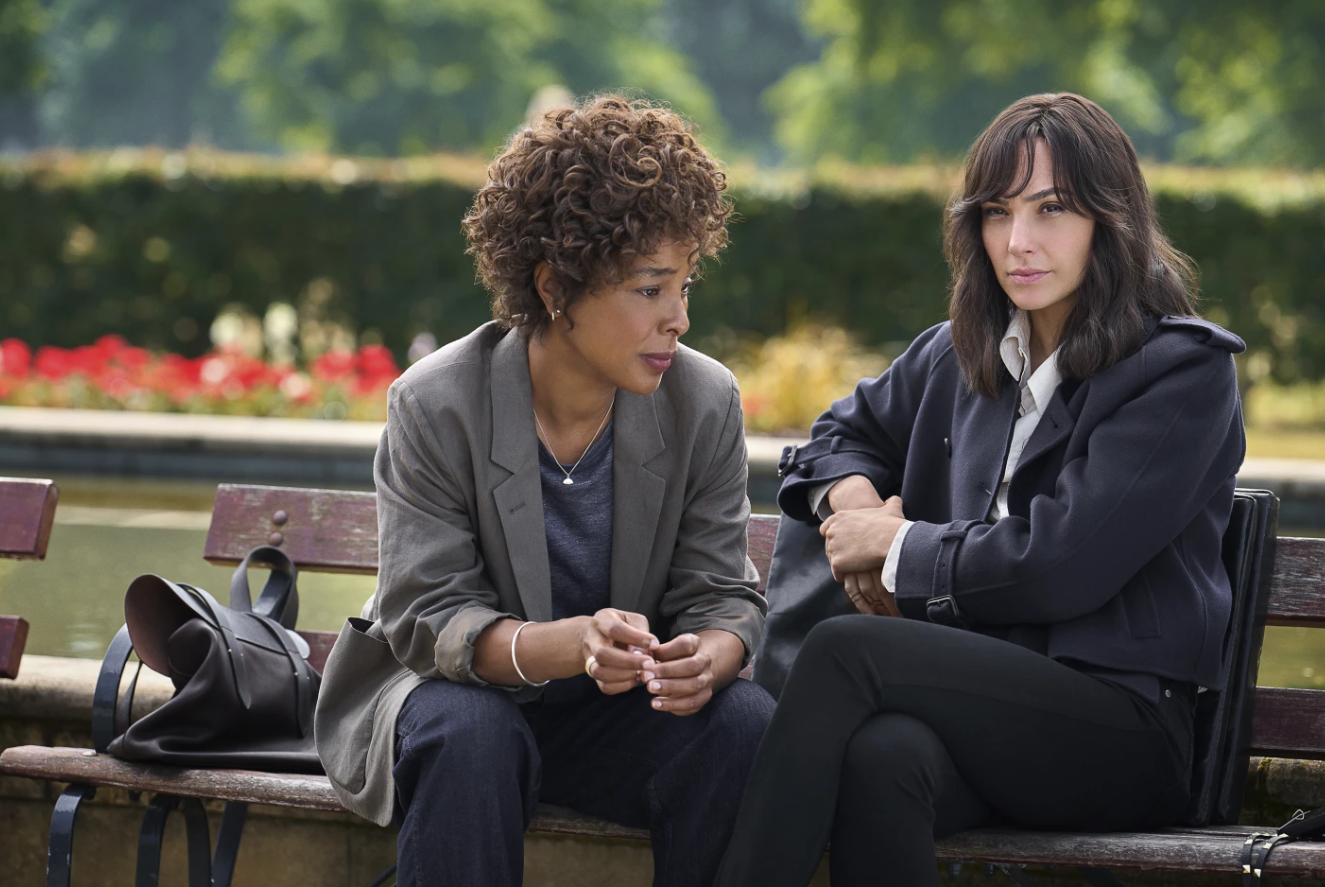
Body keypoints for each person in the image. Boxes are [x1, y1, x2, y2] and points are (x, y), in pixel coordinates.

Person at [715, 93, 1245, 887]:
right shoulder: (956, 357)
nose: (1018, 242)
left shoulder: (1179, 372)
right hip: (977, 701)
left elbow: (1062, 562)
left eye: (1051, 209)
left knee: (844, 648)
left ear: (1111, 218)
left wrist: (897, 549)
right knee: (882, 756)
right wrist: (855, 511)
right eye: (996, 213)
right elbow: (827, 443)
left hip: (1122, 728)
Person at [314, 94, 775, 887]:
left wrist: (712, 653)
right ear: (555, 285)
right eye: (649, 289)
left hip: (610, 722)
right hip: (452, 699)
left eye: (685, 286)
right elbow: (427, 617)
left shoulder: (703, 401)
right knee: (473, 735)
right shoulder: (436, 402)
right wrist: (562, 645)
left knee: (741, 722)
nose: (679, 319)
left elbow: (722, 590)